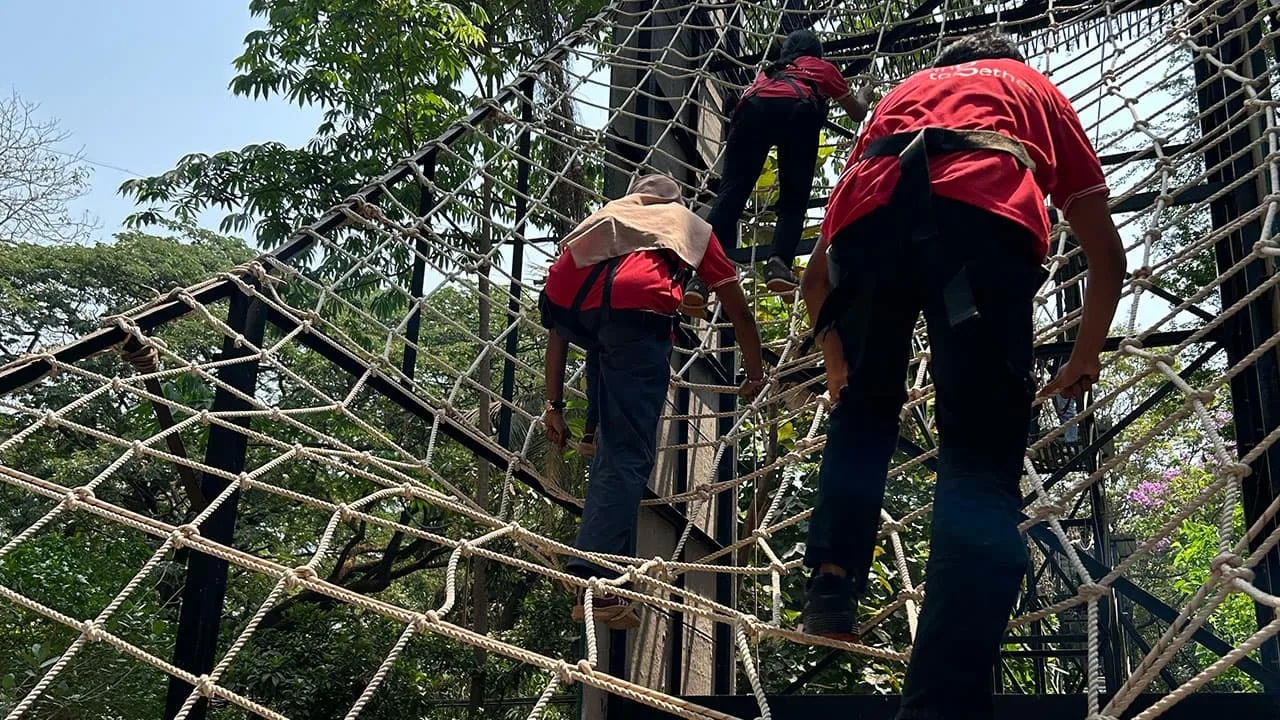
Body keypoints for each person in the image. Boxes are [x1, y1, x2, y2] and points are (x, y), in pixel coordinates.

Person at [798, 31, 1125, 719]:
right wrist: (1084, 353)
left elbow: (815, 274)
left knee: (867, 409)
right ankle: (940, 702)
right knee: (977, 459)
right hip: (982, 218)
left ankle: (830, 581)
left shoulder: (900, 95)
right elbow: (1104, 248)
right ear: (1012, 60)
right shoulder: (1030, 88)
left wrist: (840, 368)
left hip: (872, 224)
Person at [539, 173, 767, 629]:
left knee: (608, 363)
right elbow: (737, 308)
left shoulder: (606, 220)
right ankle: (598, 579)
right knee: (628, 455)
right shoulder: (685, 223)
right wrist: (755, 372)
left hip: (587, 319)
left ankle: (594, 428)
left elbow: (559, 331)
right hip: (639, 325)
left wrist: (554, 405)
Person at [683, 28, 871, 314]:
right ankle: (778, 264)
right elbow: (856, 113)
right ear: (815, 52)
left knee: (729, 198)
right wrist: (864, 95)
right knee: (793, 201)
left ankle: (698, 279)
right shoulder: (821, 67)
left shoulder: (768, 72)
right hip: (796, 111)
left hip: (750, 112)